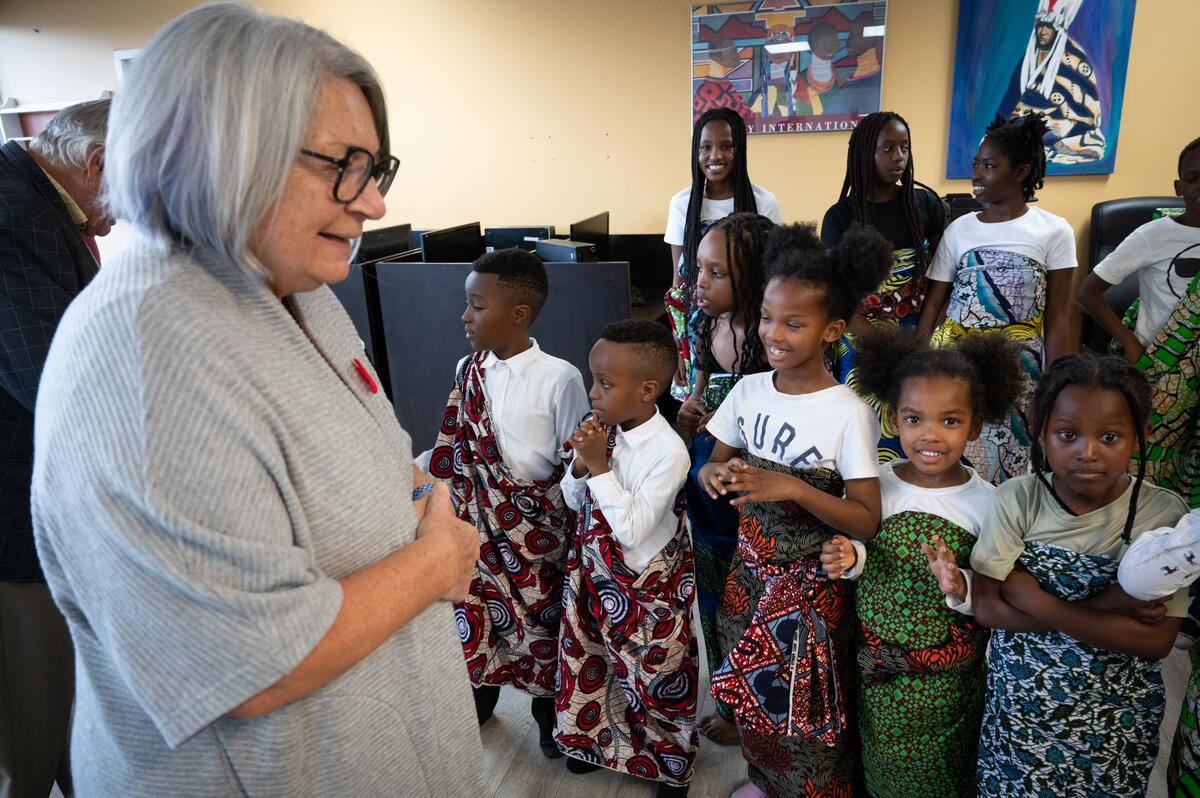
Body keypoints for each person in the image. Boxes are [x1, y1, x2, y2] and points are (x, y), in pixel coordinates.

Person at [29, 5, 485, 795]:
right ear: (222, 150)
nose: (372, 203)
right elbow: (250, 666)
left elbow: (354, 460)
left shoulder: (297, 290)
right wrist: (437, 559)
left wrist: (410, 497)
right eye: (344, 165)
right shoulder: (145, 352)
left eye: (377, 169)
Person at [699, 222, 891, 798]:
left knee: (804, 705)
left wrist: (797, 489)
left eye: (794, 323)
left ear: (832, 330)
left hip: (811, 593)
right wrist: (715, 474)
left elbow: (866, 518)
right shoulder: (749, 391)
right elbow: (714, 463)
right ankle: (762, 780)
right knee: (752, 693)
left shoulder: (848, 413)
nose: (773, 333)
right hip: (748, 578)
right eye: (765, 316)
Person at [970, 353, 1188, 797]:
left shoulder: (1163, 515)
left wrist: (1036, 600)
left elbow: (1156, 641)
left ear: (1141, 437)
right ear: (1040, 433)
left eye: (1110, 436)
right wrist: (1108, 607)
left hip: (1115, 720)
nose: (1087, 452)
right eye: (1067, 435)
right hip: (1022, 713)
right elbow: (987, 607)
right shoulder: (1018, 499)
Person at [822, 326, 1024, 798]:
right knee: (878, 762)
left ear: (974, 426)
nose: (930, 435)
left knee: (939, 773)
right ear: (894, 419)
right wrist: (851, 556)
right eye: (914, 419)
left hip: (947, 686)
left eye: (950, 422)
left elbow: (997, 593)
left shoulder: (990, 503)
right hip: (875, 670)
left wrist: (961, 585)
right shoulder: (877, 483)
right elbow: (865, 550)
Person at [424, 247, 589, 756]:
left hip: (537, 531)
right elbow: (453, 445)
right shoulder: (466, 369)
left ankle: (546, 714)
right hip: (476, 520)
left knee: (541, 625)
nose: (465, 316)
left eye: (476, 306)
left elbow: (575, 459)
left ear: (518, 315)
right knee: (476, 612)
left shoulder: (560, 377)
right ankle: (481, 693)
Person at [0, 97, 111, 798]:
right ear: (97, 164)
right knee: (36, 722)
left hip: (43, 503)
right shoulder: (15, 215)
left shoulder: (37, 200)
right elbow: (51, 380)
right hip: (18, 512)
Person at [554, 320, 697, 798]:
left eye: (605, 384)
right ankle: (599, 745)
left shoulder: (668, 451)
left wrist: (598, 465)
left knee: (653, 679)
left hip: (645, 589)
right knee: (595, 666)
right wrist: (580, 463)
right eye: (593, 379)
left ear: (648, 390)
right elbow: (574, 501)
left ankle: (668, 765)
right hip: (595, 579)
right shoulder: (604, 432)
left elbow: (633, 529)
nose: (593, 392)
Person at [917, 111, 1076, 485]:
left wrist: (1056, 386)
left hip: (1022, 373)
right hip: (960, 366)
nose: (977, 174)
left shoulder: (1054, 231)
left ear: (1021, 172)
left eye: (988, 166)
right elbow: (935, 305)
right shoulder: (959, 230)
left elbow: (1057, 318)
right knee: (956, 459)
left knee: (1013, 465)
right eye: (975, 165)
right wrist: (919, 364)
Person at [674, 211, 774, 747]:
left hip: (755, 482)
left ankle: (765, 698)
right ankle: (731, 701)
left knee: (759, 594)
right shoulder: (703, 325)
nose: (700, 285)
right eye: (699, 270)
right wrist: (689, 416)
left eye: (716, 274)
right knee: (712, 593)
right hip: (706, 478)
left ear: (753, 278)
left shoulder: (774, 338)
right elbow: (698, 391)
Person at [1077, 136, 1200, 508]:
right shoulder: (1155, 235)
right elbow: (1087, 293)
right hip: (1162, 369)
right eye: (1195, 178)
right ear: (1179, 188)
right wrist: (1130, 343)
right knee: (1153, 461)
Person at [822, 110, 946, 463]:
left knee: (914, 414)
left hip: (917, 331)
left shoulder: (925, 205)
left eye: (904, 148)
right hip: (861, 335)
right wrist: (879, 341)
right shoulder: (841, 217)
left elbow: (941, 274)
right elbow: (838, 293)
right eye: (887, 148)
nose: (898, 158)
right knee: (861, 423)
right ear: (865, 154)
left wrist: (920, 337)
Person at [663, 108, 782, 402]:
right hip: (698, 330)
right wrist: (683, 348)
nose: (715, 156)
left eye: (726, 146)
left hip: (749, 331)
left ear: (739, 149)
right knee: (700, 411)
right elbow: (679, 283)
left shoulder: (763, 201)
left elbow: (775, 277)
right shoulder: (682, 204)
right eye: (706, 147)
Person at [998, 0, 1106, 166]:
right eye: (1040, 26)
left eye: (1048, 27)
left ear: (1058, 29)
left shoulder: (1074, 59)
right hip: (1026, 120)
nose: (1042, 31)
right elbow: (1012, 96)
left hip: (1061, 125)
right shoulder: (1029, 56)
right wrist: (1000, 126)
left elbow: (1087, 113)